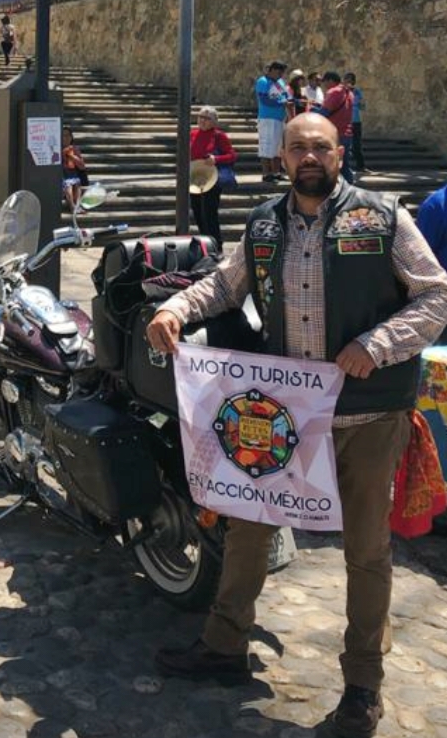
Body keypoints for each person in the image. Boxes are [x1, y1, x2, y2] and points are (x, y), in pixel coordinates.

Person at [146, 113, 447, 738]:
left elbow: (437, 295)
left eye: (320, 146)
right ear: (280, 158)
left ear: (339, 154)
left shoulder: (382, 216)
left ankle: (363, 685)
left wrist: (377, 343)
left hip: (367, 414)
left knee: (365, 550)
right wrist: (174, 309)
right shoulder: (262, 224)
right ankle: (225, 647)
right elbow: (226, 287)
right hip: (281, 417)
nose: (309, 156)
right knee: (248, 529)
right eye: (297, 148)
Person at [189, 105, 237, 250]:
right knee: (197, 212)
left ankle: (216, 245)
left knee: (209, 213)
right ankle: (205, 245)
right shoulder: (192, 133)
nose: (202, 120)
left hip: (212, 180)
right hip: (195, 179)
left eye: (207, 118)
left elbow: (232, 155)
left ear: (214, 121)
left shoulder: (219, 135)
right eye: (200, 117)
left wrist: (216, 159)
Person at [255, 59, 289, 182]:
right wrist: (281, 102)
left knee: (278, 147)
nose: (281, 75)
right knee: (266, 146)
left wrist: (289, 100)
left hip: (279, 118)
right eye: (279, 72)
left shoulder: (280, 82)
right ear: (273, 70)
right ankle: (266, 174)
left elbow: (285, 96)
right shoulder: (262, 82)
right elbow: (265, 100)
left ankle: (276, 172)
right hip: (267, 119)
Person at [318, 71, 355, 183]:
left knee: (331, 165)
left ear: (331, 81)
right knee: (344, 165)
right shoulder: (349, 93)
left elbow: (325, 112)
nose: (323, 86)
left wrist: (311, 112)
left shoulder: (334, 92)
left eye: (324, 82)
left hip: (334, 134)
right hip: (347, 133)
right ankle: (350, 189)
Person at [62, 125, 90, 211]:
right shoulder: (56, 148)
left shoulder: (74, 149)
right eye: (63, 136)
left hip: (72, 174)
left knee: (77, 183)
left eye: (68, 135)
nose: (65, 138)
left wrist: (72, 156)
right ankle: (72, 206)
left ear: (71, 137)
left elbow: (82, 166)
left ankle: (78, 205)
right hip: (61, 175)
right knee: (68, 185)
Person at [344, 72, 368, 174]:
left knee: (357, 144)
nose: (349, 81)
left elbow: (362, 107)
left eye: (351, 79)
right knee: (345, 144)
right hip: (345, 121)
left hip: (356, 121)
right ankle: (345, 168)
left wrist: (362, 103)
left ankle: (361, 166)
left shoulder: (357, 91)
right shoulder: (342, 91)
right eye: (347, 79)